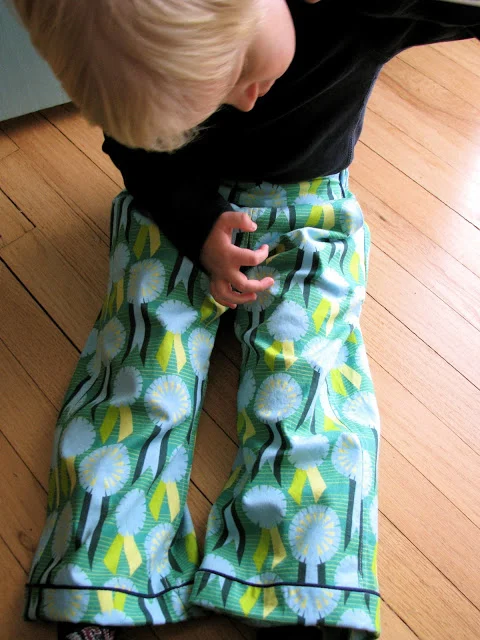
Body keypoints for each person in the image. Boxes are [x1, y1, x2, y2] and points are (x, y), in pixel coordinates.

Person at [12, 1, 480, 639]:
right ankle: (101, 578)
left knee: (307, 376)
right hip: (177, 202)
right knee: (142, 368)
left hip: (309, 212)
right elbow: (135, 150)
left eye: (238, 74)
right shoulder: (131, 57)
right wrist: (194, 222)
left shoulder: (361, 12)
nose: (244, 102)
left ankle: (298, 585)